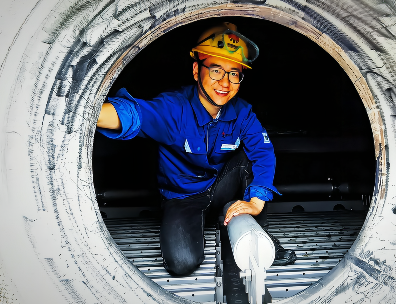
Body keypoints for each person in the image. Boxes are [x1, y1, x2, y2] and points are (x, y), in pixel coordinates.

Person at [96, 21, 296, 276]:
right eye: (216, 70)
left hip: (222, 188)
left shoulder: (242, 113)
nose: (225, 83)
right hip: (183, 197)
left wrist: (256, 202)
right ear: (196, 70)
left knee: (248, 156)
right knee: (182, 263)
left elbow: (263, 152)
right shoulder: (174, 109)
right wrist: (86, 112)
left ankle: (260, 235)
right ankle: (206, 223)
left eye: (234, 73)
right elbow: (132, 114)